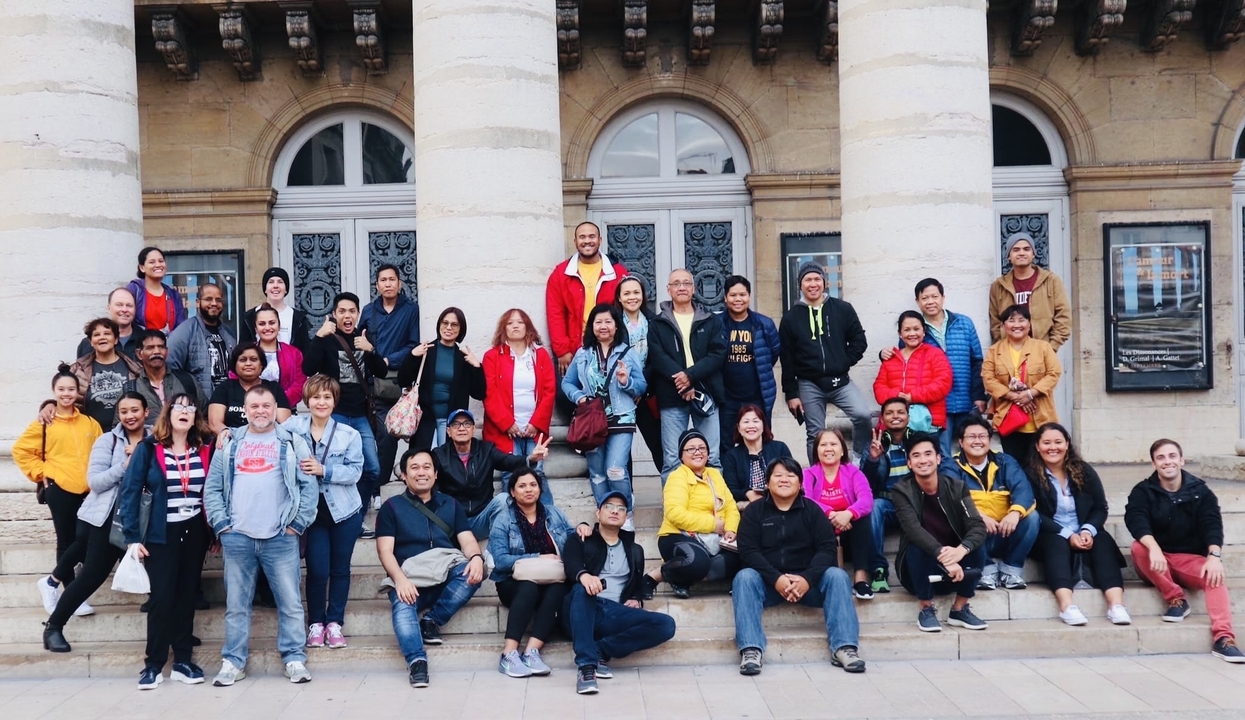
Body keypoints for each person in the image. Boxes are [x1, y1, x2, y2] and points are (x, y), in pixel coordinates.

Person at [205, 385, 319, 687]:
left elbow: (308, 486)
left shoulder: (292, 441)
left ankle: (294, 658)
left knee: (290, 602)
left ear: (275, 408)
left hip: (280, 536)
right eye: (254, 406)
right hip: (238, 536)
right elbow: (212, 488)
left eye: (266, 406)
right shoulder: (230, 441)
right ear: (245, 410)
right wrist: (222, 526)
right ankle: (233, 661)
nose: (260, 411)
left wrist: (297, 525)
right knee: (236, 605)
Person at [733, 456, 865, 676]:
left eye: (790, 475)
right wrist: (776, 579)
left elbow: (827, 548)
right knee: (744, 577)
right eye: (778, 475)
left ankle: (844, 647)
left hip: (809, 585)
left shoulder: (812, 510)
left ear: (800, 483)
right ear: (767, 483)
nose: (784, 479)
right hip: (769, 585)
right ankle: (751, 649)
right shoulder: (754, 512)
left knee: (837, 576)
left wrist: (807, 579)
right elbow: (748, 551)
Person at [117, 392, 213, 689]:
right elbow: (130, 492)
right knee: (161, 599)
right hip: (161, 532)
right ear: (168, 414)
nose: (184, 412)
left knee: (186, 596)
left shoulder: (204, 449)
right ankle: (154, 664)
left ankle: (183, 660)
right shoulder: (148, 448)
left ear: (195, 416)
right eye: (178, 407)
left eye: (190, 408)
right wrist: (132, 538)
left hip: (194, 531)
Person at [42, 392, 150, 653]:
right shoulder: (107, 441)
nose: (130, 416)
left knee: (162, 576)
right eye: (124, 411)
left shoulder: (157, 440)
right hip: (110, 520)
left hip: (146, 519)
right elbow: (95, 482)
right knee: (92, 575)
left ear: (146, 412)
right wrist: (127, 464)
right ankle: (53, 627)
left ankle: (177, 634)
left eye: (135, 410)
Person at [376, 448, 487, 689]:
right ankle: (416, 661)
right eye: (414, 468)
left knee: (473, 571)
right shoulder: (391, 507)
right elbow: (385, 551)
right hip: (409, 579)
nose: (421, 472)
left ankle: (432, 620)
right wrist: (400, 580)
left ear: (436, 474)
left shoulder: (451, 504)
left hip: (444, 575)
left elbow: (467, 539)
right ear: (404, 475)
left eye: (427, 467)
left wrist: (477, 557)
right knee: (403, 609)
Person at [1126, 439, 1244, 663]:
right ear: (1153, 464)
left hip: (1188, 560)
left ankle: (1224, 639)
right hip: (1156, 561)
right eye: (1160, 458)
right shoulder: (1143, 491)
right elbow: (1136, 520)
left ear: (1181, 460)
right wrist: (1154, 548)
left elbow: (1212, 524)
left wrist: (1214, 556)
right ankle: (1176, 599)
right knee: (1139, 547)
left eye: (1172, 456)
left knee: (1214, 574)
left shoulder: (1200, 491)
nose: (1167, 461)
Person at [562, 490, 677, 695]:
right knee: (581, 589)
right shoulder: (582, 538)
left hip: (614, 613)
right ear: (598, 513)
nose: (615, 511)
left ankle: (600, 650)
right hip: (583, 609)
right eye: (609, 506)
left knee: (666, 624)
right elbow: (571, 564)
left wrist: (636, 598)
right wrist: (584, 576)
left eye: (621, 509)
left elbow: (636, 584)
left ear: (626, 518)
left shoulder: (635, 550)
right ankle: (587, 667)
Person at [284, 375, 364, 650]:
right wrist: (228, 433)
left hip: (344, 511)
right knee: (318, 570)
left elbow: (355, 472)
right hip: (312, 512)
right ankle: (316, 623)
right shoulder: (292, 427)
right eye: (316, 397)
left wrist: (324, 470)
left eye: (327, 397)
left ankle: (335, 623)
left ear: (334, 401)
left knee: (340, 569)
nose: (321, 402)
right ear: (307, 400)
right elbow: (263, 429)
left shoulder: (349, 434)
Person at [15, 365, 103, 616]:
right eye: (61, 389)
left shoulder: (90, 423)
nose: (66, 394)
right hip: (59, 488)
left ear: (78, 392)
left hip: (88, 491)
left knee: (84, 540)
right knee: (66, 541)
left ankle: (52, 583)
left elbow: (100, 452)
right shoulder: (46, 422)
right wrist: (42, 472)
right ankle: (72, 596)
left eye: (71, 389)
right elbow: (21, 450)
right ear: (54, 391)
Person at [303, 292, 387, 534]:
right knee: (332, 467)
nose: (347, 316)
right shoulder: (327, 339)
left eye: (352, 311)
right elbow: (308, 368)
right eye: (342, 311)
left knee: (372, 468)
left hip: (360, 415)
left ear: (358, 314)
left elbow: (381, 371)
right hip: (334, 415)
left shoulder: (364, 336)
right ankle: (334, 516)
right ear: (334, 314)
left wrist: (370, 350)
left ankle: (355, 517)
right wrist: (319, 336)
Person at [1029, 423, 1129, 627]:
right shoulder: (1030, 474)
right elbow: (1033, 512)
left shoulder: (1084, 471)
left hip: (1083, 530)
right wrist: (1067, 534)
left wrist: (1087, 530)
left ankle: (1116, 605)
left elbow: (1100, 507)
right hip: (1050, 532)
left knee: (1102, 541)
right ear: (1038, 446)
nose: (1053, 447)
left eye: (1058, 442)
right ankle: (1067, 606)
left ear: (1067, 444)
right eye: (1046, 443)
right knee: (1056, 544)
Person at [891, 433, 989, 633]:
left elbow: (977, 526)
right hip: (918, 573)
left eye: (928, 454)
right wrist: (944, 556)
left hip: (956, 572)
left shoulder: (957, 487)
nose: (923, 460)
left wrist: (960, 551)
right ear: (909, 463)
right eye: (916, 455)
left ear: (938, 458)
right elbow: (913, 529)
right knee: (915, 545)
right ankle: (926, 608)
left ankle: (960, 609)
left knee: (976, 545)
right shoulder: (901, 491)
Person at [881, 279, 986, 457]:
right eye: (925, 298)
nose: (930, 301)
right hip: (934, 406)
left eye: (934, 296)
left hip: (965, 399)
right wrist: (883, 355)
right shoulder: (915, 328)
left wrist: (979, 396)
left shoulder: (964, 323)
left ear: (943, 297)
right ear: (917, 301)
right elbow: (904, 362)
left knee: (972, 451)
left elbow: (977, 361)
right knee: (941, 454)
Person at [778, 262, 870, 463]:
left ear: (824, 282)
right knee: (815, 433)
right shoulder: (791, 318)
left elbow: (859, 341)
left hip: (840, 381)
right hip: (809, 383)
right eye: (807, 280)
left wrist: (843, 362)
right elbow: (787, 358)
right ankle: (816, 475)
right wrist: (791, 393)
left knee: (863, 415)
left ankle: (858, 460)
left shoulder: (842, 309)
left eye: (817, 279)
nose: (813, 284)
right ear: (800, 285)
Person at [487, 467, 575, 678]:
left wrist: (582, 528)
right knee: (529, 587)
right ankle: (508, 654)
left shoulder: (554, 513)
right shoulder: (503, 519)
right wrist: (538, 557)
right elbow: (500, 561)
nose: (529, 490)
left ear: (540, 489)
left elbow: (572, 538)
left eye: (533, 485)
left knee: (558, 590)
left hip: (551, 578)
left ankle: (531, 652)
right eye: (522, 486)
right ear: (512, 492)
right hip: (512, 582)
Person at [562, 303, 646, 518]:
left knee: (615, 470)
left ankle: (625, 513)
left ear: (616, 326)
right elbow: (567, 383)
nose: (603, 326)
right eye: (598, 322)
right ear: (591, 326)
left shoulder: (627, 352)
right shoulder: (583, 353)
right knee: (598, 474)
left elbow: (641, 386)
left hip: (622, 417)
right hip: (592, 421)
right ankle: (605, 515)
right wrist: (579, 397)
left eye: (608, 321)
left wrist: (626, 382)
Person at [939, 416, 1038, 591]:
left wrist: (1014, 513)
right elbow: (951, 496)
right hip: (972, 537)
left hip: (1005, 532)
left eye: (982, 436)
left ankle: (1011, 570)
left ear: (989, 440)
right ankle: (985, 569)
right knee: (958, 516)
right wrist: (979, 516)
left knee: (1033, 518)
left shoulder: (1005, 462)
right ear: (961, 442)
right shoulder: (951, 465)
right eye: (971, 437)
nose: (977, 441)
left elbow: (1024, 490)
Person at [647, 268, 727, 479]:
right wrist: (683, 381)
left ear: (693, 288)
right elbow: (658, 357)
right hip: (671, 394)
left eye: (686, 283)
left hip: (707, 393)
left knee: (711, 456)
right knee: (672, 459)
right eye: (676, 284)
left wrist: (690, 376)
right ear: (668, 289)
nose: (681, 287)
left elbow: (718, 354)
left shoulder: (710, 319)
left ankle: (713, 499)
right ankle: (674, 501)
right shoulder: (658, 323)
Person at [642, 430, 740, 599]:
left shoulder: (715, 475)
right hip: (677, 535)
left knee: (744, 556)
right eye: (691, 449)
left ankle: (683, 578)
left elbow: (730, 506)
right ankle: (653, 577)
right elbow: (675, 514)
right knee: (697, 562)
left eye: (702, 448)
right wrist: (713, 524)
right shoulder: (677, 477)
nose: (697, 452)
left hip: (713, 537)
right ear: (681, 455)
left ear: (708, 453)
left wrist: (730, 529)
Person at [431, 408, 550, 538]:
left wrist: (531, 458)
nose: (461, 428)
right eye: (455, 425)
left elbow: (507, 461)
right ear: (448, 431)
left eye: (467, 424)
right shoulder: (439, 454)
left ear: (473, 429)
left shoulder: (486, 450)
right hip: (453, 522)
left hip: (482, 519)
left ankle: (504, 541)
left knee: (503, 499)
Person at [359, 264, 421, 507]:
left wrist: (387, 360)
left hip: (397, 383)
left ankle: (379, 486)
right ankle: (371, 487)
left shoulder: (410, 310)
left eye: (392, 279)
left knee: (387, 436)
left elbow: (413, 345)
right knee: (370, 438)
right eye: (383, 280)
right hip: (370, 385)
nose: (388, 284)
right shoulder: (368, 311)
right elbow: (360, 343)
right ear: (377, 285)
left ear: (399, 283)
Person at [482, 308, 556, 485]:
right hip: (506, 431)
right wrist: (507, 423)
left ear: (527, 327)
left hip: (533, 429)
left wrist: (536, 423)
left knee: (537, 474)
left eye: (520, 322)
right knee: (511, 475)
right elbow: (489, 394)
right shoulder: (492, 356)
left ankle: (543, 506)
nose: (515, 326)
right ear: (504, 328)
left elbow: (549, 391)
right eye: (510, 323)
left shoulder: (541, 355)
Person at [396, 307, 485, 452]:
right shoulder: (426, 351)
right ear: (439, 325)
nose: (448, 327)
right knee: (425, 460)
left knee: (447, 462)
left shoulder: (463, 357)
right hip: (425, 420)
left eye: (454, 325)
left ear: (461, 329)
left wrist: (476, 366)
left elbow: (479, 393)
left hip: (452, 422)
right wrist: (412, 356)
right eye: (445, 323)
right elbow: (402, 380)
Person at [546, 220, 629, 377]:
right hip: (574, 350)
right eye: (582, 237)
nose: (587, 241)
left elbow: (628, 312)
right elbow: (555, 313)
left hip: (609, 347)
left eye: (592, 236)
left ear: (600, 240)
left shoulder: (617, 272)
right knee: (570, 391)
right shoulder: (561, 273)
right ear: (575, 241)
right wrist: (562, 350)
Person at [982, 304, 1061, 466]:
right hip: (1009, 421)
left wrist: (1030, 394)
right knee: (1014, 466)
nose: (1016, 325)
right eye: (1011, 320)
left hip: (1040, 417)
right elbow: (988, 379)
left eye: (1021, 320)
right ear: (1003, 325)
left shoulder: (1043, 348)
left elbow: (1053, 373)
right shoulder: (994, 351)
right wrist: (1016, 397)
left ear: (1029, 324)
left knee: (1040, 466)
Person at [802, 429, 876, 599]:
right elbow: (806, 500)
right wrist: (832, 515)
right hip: (821, 536)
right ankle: (834, 579)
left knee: (862, 517)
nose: (828, 448)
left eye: (833, 444)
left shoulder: (853, 472)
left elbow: (866, 499)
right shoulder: (808, 474)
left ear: (842, 450)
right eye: (823, 445)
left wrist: (849, 513)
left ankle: (860, 579)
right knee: (816, 519)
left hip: (850, 536)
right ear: (816, 451)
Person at [718, 275, 782, 455]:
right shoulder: (716, 324)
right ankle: (731, 474)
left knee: (760, 442)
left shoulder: (764, 324)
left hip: (757, 396)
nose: (738, 299)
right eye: (733, 295)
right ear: (725, 297)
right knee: (726, 444)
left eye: (742, 295)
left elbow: (773, 353)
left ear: (749, 296)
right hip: (726, 398)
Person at [872, 311, 952, 437]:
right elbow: (879, 388)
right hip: (895, 423)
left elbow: (943, 384)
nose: (912, 333)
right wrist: (896, 396)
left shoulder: (935, 354)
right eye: (907, 330)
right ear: (900, 333)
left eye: (916, 329)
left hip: (928, 422)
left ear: (924, 331)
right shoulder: (891, 358)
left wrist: (912, 396)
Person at [862, 398, 913, 594]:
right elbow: (865, 483)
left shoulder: (919, 441)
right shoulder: (875, 443)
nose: (895, 416)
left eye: (900, 412)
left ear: (908, 417)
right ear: (882, 418)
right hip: (887, 503)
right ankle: (878, 570)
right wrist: (873, 460)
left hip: (913, 503)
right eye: (890, 413)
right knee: (874, 506)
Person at [989, 233, 1071, 350]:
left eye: (1026, 249)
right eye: (1016, 250)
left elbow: (1063, 317)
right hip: (1010, 351)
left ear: (1033, 254)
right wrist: (1003, 347)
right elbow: (995, 322)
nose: (1021, 253)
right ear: (1008, 256)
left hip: (1042, 350)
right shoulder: (999, 286)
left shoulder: (1051, 281)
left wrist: (1051, 347)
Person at [613, 274, 662, 465]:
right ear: (619, 297)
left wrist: (641, 387)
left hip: (647, 393)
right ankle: (625, 485)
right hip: (620, 392)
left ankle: (670, 484)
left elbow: (658, 357)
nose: (632, 297)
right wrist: (628, 385)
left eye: (636, 292)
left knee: (657, 444)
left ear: (643, 295)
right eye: (626, 294)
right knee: (622, 448)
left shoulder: (655, 321)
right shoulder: (613, 323)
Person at [69, 317, 145, 430]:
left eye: (107, 333)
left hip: (127, 434)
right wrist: (49, 405)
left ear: (116, 339)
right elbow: (64, 399)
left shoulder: (135, 368)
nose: (102, 337)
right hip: (90, 434)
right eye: (96, 334)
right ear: (91, 342)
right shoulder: (77, 370)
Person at [167, 283, 237, 401]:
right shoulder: (185, 331)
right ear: (197, 302)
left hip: (227, 401)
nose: (214, 303)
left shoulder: (229, 333)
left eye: (218, 300)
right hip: (198, 404)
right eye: (208, 299)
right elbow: (171, 368)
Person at [207, 343, 293, 436]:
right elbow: (215, 424)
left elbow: (284, 423)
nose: (248, 363)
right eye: (242, 360)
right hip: (232, 440)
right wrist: (231, 437)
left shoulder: (274, 388)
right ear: (235, 365)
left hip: (269, 439)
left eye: (253, 359)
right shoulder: (224, 388)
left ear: (261, 365)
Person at [721, 404, 793, 508]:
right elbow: (730, 489)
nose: (751, 426)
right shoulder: (732, 455)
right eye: (746, 422)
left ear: (763, 425)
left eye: (755, 421)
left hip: (780, 504)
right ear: (738, 428)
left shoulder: (780, 448)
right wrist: (747, 493)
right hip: (747, 508)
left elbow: (792, 477)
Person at [126, 330, 201, 422]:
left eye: (161, 347)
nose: (157, 351)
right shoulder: (130, 389)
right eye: (150, 348)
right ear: (139, 354)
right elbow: (120, 426)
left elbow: (204, 416)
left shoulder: (187, 381)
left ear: (167, 351)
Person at [238, 267, 311, 353]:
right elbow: (242, 351)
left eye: (280, 282)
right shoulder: (250, 317)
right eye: (271, 282)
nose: (275, 286)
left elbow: (305, 352)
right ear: (265, 289)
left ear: (286, 289)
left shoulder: (298, 318)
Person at [251, 304, 307, 408]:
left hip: (285, 409)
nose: (267, 327)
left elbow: (299, 384)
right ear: (255, 328)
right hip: (252, 409)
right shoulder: (246, 352)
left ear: (279, 326)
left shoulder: (294, 353)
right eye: (262, 324)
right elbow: (236, 380)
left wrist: (279, 402)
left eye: (272, 323)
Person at [126, 246, 187, 333]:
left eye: (161, 261)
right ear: (142, 268)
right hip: (140, 340)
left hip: (169, 341)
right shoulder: (134, 289)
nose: (158, 265)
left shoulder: (173, 294)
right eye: (152, 262)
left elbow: (181, 326)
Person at [75, 287, 140, 359]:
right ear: (109, 308)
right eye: (119, 305)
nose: (124, 310)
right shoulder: (88, 344)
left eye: (129, 305)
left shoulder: (145, 341)